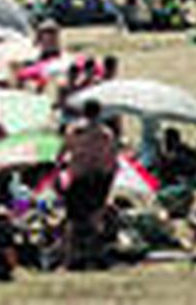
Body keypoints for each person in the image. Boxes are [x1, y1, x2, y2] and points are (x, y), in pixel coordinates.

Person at [60, 98, 118, 269]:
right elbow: (111, 160)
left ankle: (71, 257)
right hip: (99, 179)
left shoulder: (75, 130)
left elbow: (63, 151)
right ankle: (94, 256)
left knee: (73, 219)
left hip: (79, 178)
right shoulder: (106, 133)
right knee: (95, 218)